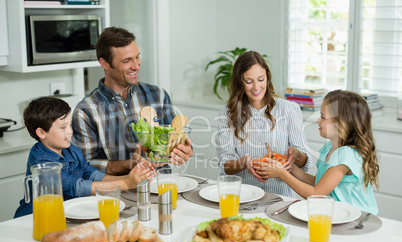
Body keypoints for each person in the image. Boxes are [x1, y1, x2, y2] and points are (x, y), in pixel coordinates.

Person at [72, 27, 193, 175]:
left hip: (161, 188)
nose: (136, 65)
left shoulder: (158, 95)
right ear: (105, 64)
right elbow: (85, 166)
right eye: (127, 60)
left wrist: (183, 151)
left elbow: (176, 139)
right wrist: (129, 164)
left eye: (137, 57)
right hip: (119, 193)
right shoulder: (86, 111)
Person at [14, 97, 154, 218]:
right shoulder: (42, 162)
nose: (70, 132)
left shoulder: (71, 149)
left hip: (65, 214)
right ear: (42, 132)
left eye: (70, 125)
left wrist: (129, 177)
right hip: (36, 218)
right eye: (63, 127)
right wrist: (126, 184)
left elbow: (92, 175)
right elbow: (76, 188)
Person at [264, 90, 379, 215]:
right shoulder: (329, 148)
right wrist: (289, 167)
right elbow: (320, 184)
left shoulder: (346, 155)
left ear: (342, 123)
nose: (318, 120)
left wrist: (282, 174)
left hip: (357, 219)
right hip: (338, 215)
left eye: (323, 117)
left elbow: (316, 194)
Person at [215, 51, 313, 197]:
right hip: (245, 196)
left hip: (282, 197)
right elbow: (225, 166)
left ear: (267, 77)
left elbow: (306, 164)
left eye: (261, 79)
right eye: (249, 81)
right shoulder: (227, 113)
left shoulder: (289, 109)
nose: (256, 87)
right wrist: (244, 163)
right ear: (239, 82)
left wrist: (297, 155)